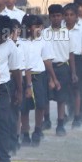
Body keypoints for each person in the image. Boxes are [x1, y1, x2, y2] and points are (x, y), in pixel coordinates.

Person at [0, 16, 22, 162]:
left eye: (5, 34)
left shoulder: (11, 47)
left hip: (3, 88)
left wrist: (19, 91)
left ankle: (4, 160)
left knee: (1, 124)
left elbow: (16, 71)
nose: (1, 37)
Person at [19, 14, 55, 147]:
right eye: (36, 26)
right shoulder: (19, 42)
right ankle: (25, 133)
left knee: (41, 104)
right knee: (24, 107)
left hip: (39, 75)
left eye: (41, 26)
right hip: (23, 76)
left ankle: (38, 130)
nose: (40, 29)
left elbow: (47, 60)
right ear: (28, 28)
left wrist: (52, 78)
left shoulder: (43, 41)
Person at [63, 3, 82, 129]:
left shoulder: (80, 31)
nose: (69, 17)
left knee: (77, 89)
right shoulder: (59, 30)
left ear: (76, 17)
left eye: (72, 15)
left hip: (78, 60)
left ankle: (78, 114)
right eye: (66, 15)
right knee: (65, 89)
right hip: (63, 60)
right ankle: (66, 113)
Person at [45, 5, 71, 136]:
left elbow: (70, 53)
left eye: (58, 16)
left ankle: (60, 124)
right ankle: (46, 120)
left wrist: (73, 72)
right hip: (47, 68)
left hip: (62, 67)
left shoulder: (67, 33)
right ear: (49, 17)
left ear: (62, 17)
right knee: (45, 97)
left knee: (61, 98)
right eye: (53, 16)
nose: (56, 18)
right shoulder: (44, 33)